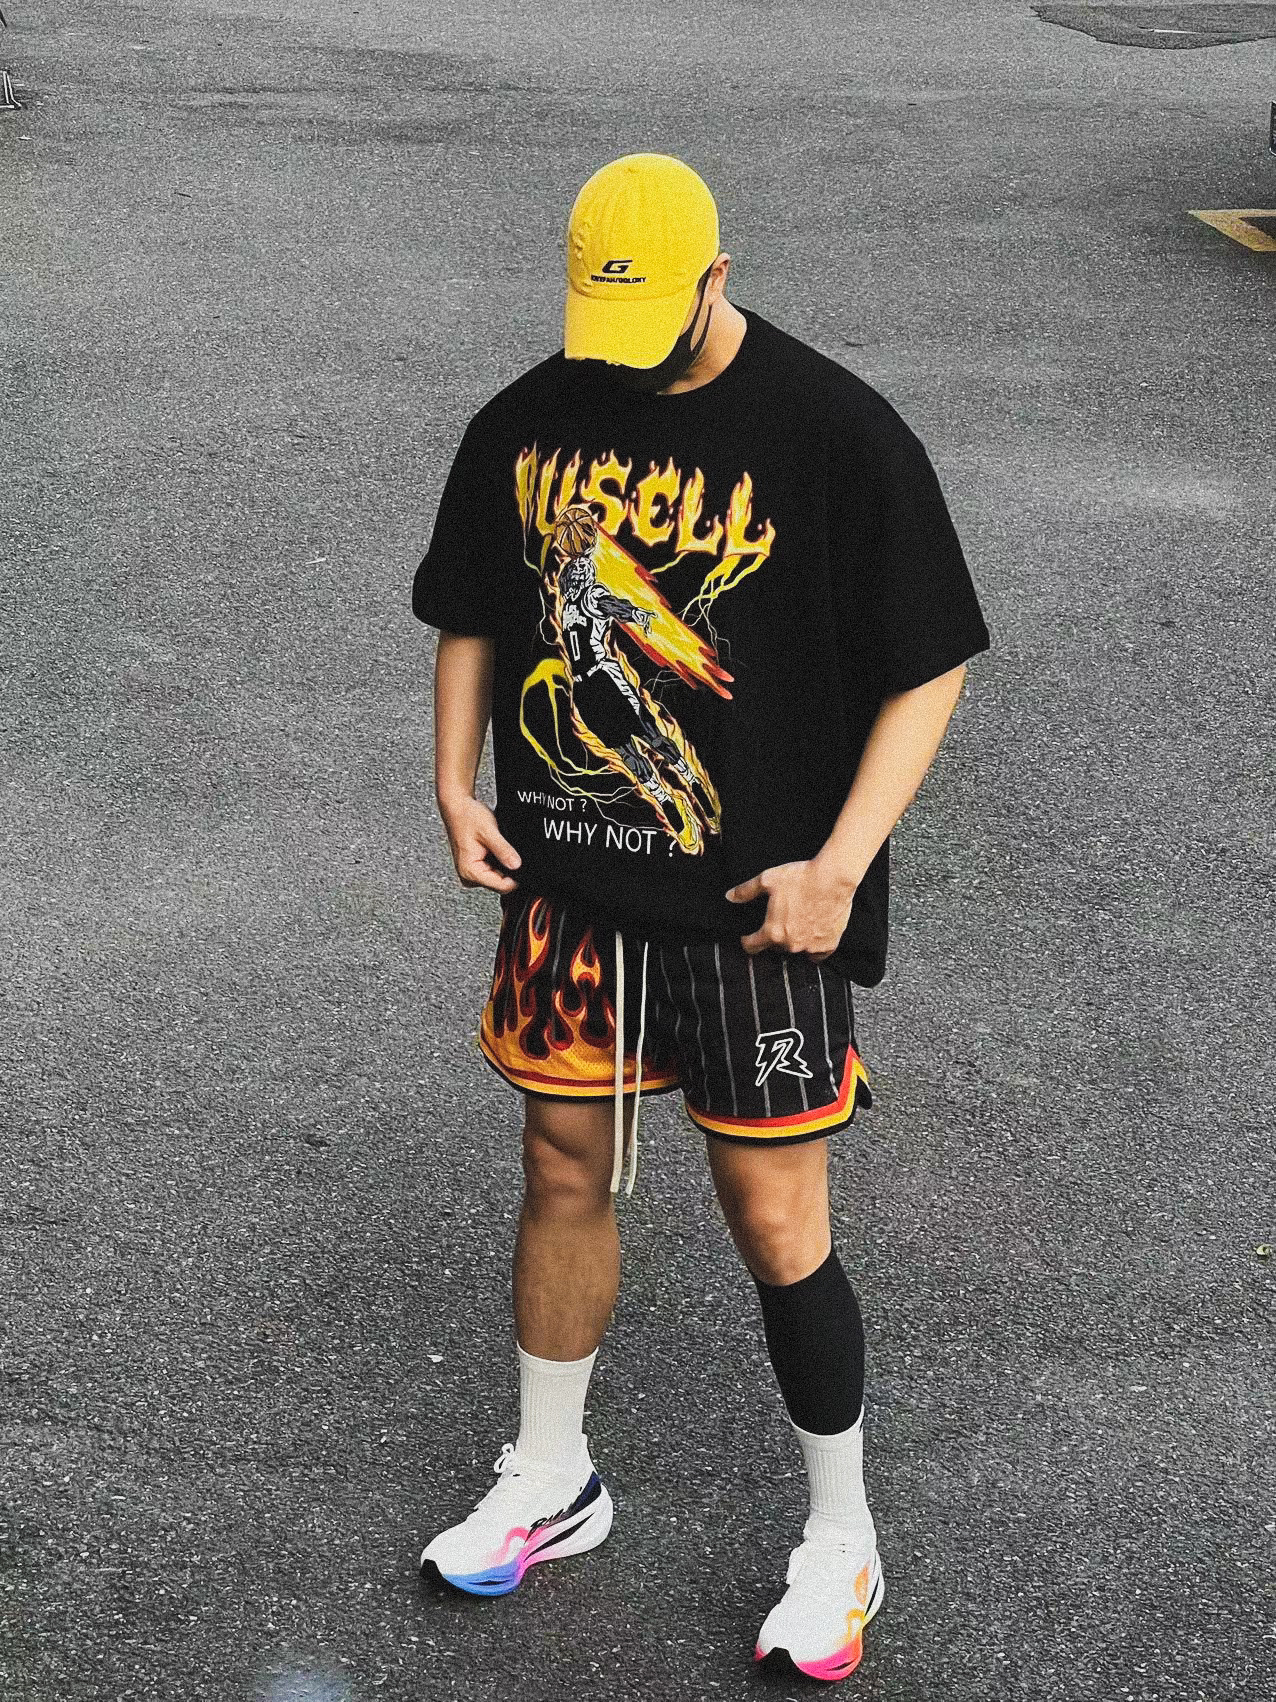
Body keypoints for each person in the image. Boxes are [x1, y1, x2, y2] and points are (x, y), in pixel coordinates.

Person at [410, 152, 991, 1683]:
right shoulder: (526, 418)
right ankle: (553, 1476)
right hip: (571, 885)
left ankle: (842, 1537)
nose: (616, 361)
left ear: (717, 279)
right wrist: (453, 778)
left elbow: (932, 656)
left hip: (758, 907)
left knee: (775, 1216)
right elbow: (472, 602)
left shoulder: (833, 433)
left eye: (652, 322)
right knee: (561, 1168)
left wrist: (842, 861)